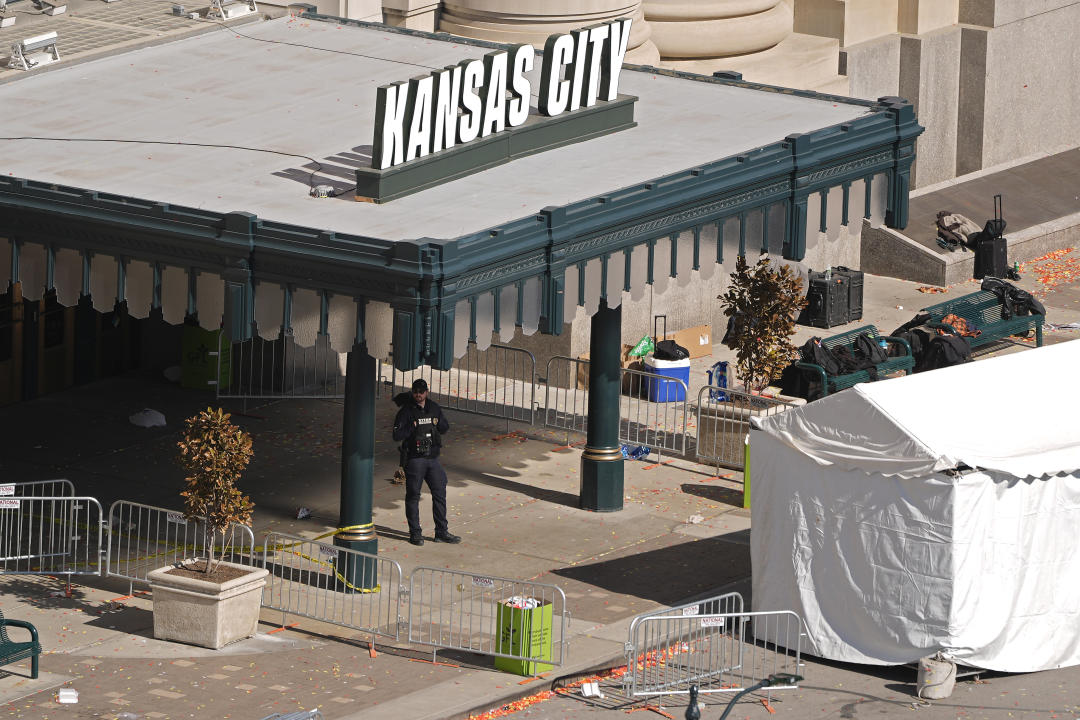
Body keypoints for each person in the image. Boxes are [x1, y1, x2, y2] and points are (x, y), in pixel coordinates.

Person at [392, 379, 461, 546]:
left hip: (432, 458)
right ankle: (415, 533)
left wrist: (437, 422)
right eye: (415, 391)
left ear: (426, 392)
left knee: (440, 492)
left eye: (421, 392)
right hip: (415, 460)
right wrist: (412, 427)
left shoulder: (434, 408)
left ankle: (441, 532)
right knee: (413, 495)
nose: (418, 394)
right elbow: (397, 435)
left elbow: (444, 428)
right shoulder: (406, 412)